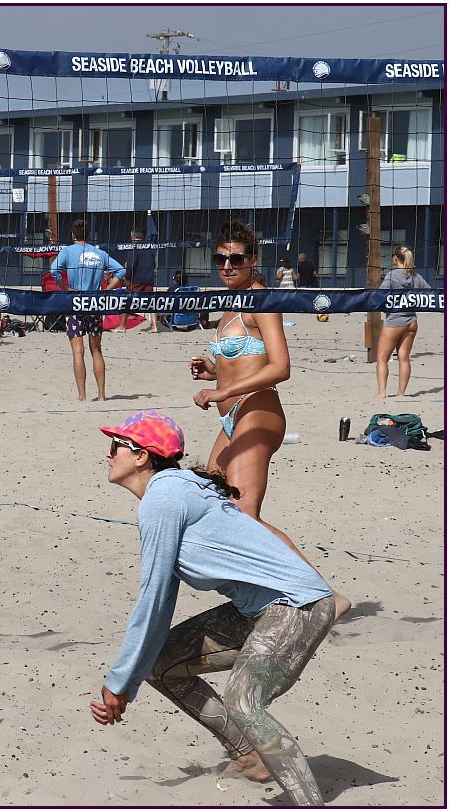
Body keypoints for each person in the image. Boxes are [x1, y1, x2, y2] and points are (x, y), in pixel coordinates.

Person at [89, 410, 336, 807]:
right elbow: (161, 598)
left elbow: (153, 599)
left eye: (116, 445)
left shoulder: (164, 497)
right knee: (162, 665)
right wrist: (129, 680)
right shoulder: (172, 492)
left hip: (297, 606)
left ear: (141, 456)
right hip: (259, 611)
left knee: (243, 701)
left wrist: (119, 682)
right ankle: (251, 757)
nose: (108, 452)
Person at [188, 221, 349, 618]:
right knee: (215, 507)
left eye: (235, 258)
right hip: (233, 417)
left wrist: (223, 391)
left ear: (253, 259)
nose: (227, 266)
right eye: (220, 259)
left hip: (258, 410)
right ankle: (268, 591)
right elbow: (245, 362)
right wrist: (213, 371)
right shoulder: (230, 303)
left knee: (243, 513)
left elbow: (280, 367)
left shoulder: (262, 300)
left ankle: (327, 597)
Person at [50, 219, 125, 400]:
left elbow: (53, 271)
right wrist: (107, 289)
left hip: (75, 301)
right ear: (88, 235)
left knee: (78, 351)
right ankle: (101, 395)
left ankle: (82, 396)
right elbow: (121, 270)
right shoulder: (99, 253)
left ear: (72, 235)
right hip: (95, 302)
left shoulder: (68, 251)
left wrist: (65, 288)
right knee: (96, 350)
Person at [374, 243, 432, 400]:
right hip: (411, 321)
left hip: (395, 321)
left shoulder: (392, 276)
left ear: (395, 259)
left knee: (382, 358)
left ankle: (382, 392)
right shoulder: (416, 276)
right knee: (404, 358)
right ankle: (401, 393)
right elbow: (430, 293)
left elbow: (380, 295)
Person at [116, 228, 157, 333]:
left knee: (126, 301)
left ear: (133, 237)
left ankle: (122, 326)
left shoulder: (133, 247)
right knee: (151, 302)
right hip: (149, 278)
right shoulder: (150, 247)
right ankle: (154, 326)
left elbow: (131, 264)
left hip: (136, 279)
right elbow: (154, 263)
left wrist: (127, 277)